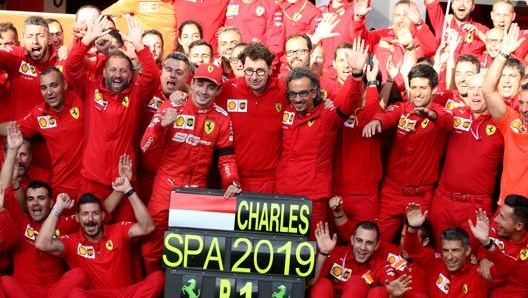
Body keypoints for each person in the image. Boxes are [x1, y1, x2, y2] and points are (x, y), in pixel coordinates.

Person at [140, 63, 241, 274]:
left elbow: (226, 158)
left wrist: (232, 181)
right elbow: (145, 146)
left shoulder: (222, 118)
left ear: (218, 90)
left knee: (192, 249)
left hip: (196, 191)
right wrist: (160, 127)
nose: (204, 91)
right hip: (165, 188)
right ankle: (154, 286)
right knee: (152, 246)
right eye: (201, 84)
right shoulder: (171, 107)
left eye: (211, 87)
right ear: (192, 83)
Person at [63, 15, 160, 220]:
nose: (118, 75)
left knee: (124, 239)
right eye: (113, 70)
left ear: (131, 74)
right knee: (90, 234)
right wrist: (85, 42)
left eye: (124, 71)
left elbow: (152, 77)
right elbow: (70, 68)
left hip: (124, 180)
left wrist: (140, 47)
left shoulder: (136, 95)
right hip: (92, 179)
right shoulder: (89, 89)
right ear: (104, 71)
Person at [275, 40, 364, 239]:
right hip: (282, 194)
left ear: (314, 92)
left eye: (303, 94)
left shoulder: (327, 114)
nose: (297, 99)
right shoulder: (287, 111)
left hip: (312, 198)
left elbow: (348, 104)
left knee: (312, 249)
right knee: (282, 249)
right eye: (293, 94)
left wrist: (356, 75)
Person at [363, 64, 454, 242]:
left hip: (422, 196)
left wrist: (431, 115)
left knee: (417, 247)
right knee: (378, 243)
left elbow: (448, 122)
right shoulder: (401, 108)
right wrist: (377, 122)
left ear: (434, 89)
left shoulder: (441, 112)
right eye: (413, 87)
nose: (417, 93)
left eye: (423, 87)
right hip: (392, 192)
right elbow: (387, 116)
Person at [0, 123, 87, 298]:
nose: (35, 204)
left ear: (51, 202)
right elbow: (4, 188)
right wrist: (12, 151)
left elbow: (92, 218)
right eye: (30, 199)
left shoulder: (64, 223)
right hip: (24, 291)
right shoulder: (20, 221)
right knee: (5, 281)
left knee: (79, 275)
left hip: (54, 292)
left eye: (41, 198)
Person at [35, 187, 164, 297]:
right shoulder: (72, 242)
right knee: (76, 294)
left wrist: (129, 191)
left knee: (158, 278)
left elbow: (148, 227)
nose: (90, 219)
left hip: (126, 294)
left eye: (95, 213)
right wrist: (57, 208)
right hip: (97, 296)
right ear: (78, 218)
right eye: (85, 214)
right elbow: (42, 244)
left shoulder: (118, 230)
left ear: (102, 216)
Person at [429, 74, 504, 250]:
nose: (475, 94)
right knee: (440, 257)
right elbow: (442, 116)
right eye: (471, 89)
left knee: (472, 261)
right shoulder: (457, 114)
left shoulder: (503, 124)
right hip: (443, 201)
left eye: (481, 89)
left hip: (476, 206)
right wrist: (432, 114)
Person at [0, 67, 84, 206]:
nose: (49, 92)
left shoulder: (80, 98)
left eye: (54, 85)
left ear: (65, 85)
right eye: (44, 88)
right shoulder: (39, 114)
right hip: (61, 188)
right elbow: (13, 127)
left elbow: (74, 63)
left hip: (89, 183)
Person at [215, 42, 286, 193]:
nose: (254, 77)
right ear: (241, 67)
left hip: (272, 180)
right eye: (249, 71)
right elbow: (201, 98)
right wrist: (181, 95)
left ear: (270, 69)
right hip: (234, 180)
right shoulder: (228, 89)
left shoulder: (283, 91)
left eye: (260, 71)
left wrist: (325, 103)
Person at [481, 23, 528, 205]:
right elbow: (487, 89)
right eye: (523, 104)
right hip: (507, 206)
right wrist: (502, 54)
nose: (525, 108)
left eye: (512, 76)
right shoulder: (512, 119)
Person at [138, 52, 192, 202]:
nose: (173, 75)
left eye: (179, 72)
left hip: (175, 180)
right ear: (161, 71)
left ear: (188, 77)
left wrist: (188, 93)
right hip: (143, 176)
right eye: (169, 70)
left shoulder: (193, 101)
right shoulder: (147, 91)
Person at [405, 203, 489, 298]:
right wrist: (412, 229)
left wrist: (486, 242)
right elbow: (413, 250)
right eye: (445, 250)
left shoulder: (476, 278)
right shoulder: (436, 264)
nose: (449, 257)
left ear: (467, 251)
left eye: (455, 250)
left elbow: (504, 268)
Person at [310, 221, 411, 298]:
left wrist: (393, 295)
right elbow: (310, 283)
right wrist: (323, 253)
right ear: (352, 240)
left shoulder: (382, 265)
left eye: (369, 243)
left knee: (360, 284)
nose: (363, 247)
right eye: (359, 240)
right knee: (321, 283)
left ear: (377, 245)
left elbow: (390, 285)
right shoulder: (337, 253)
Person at [351, 0, 438, 84]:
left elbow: (432, 48)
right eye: (398, 15)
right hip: (384, 92)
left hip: (411, 93)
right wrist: (359, 18)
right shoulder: (381, 35)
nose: (401, 19)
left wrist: (419, 23)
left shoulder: (421, 37)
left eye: (406, 15)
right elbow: (360, 40)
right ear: (392, 17)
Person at [469, 195, 528, 297]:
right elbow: (483, 248)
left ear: (519, 226)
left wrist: (486, 243)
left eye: (502, 218)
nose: (495, 220)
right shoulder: (502, 227)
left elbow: (500, 272)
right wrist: (482, 260)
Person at [223, 0, 284, 71]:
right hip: (232, 67)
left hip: (257, 68)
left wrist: (263, 68)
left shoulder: (270, 5)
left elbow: (275, 45)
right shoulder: (232, 3)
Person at [102, 0, 177, 55]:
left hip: (170, 64)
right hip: (146, 59)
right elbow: (101, 15)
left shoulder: (180, 3)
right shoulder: (137, 1)